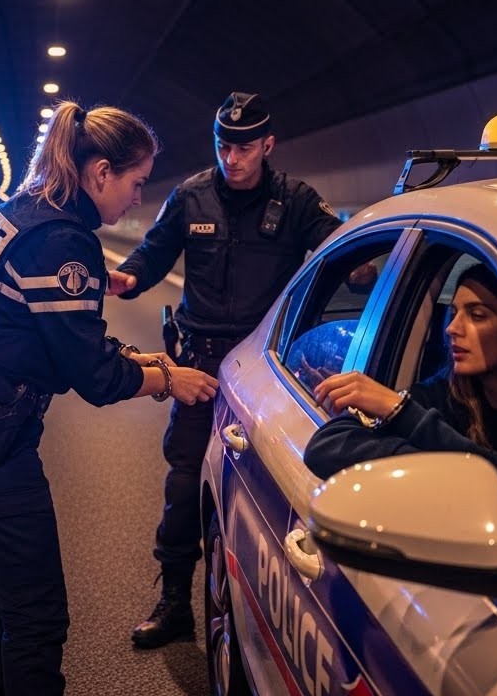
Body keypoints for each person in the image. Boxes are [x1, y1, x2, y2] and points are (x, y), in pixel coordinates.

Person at [0, 100, 219, 696]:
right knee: (37, 615)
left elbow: (69, 342)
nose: (138, 198)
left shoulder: (34, 209)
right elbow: (93, 375)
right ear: (101, 172)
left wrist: (145, 359)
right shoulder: (64, 239)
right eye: (136, 183)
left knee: (6, 594)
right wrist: (169, 380)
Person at [107, 91, 347, 649]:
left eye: (243, 147)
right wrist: (130, 279)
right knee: (185, 483)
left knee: (272, 483)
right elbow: (153, 252)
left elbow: (336, 254)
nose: (231, 157)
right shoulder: (191, 197)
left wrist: (360, 279)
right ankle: (174, 605)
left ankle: (268, 609)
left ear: (267, 145)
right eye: (222, 145)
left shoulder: (296, 202)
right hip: (201, 364)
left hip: (268, 366)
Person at [304, 263, 497, 503]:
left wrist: (400, 411)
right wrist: (428, 465)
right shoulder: (446, 393)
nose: (451, 328)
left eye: (476, 315)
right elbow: (325, 446)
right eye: (454, 312)